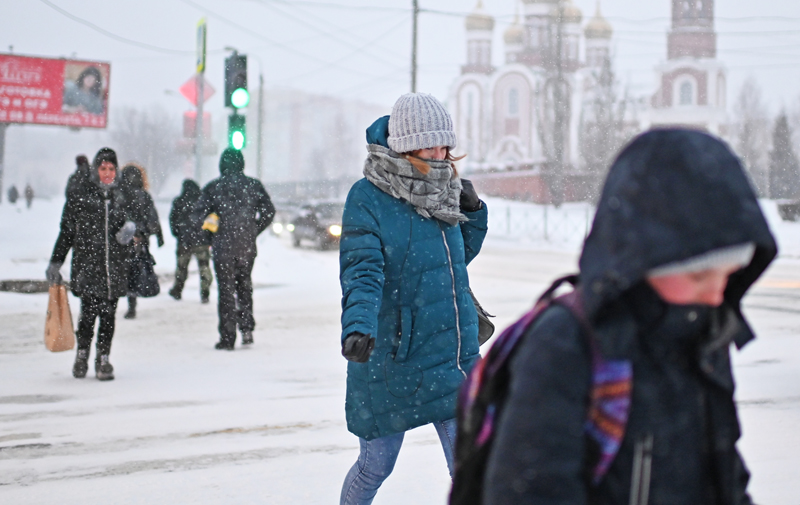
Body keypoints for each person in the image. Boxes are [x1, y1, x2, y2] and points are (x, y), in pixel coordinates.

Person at [481, 129, 777, 505]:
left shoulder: (704, 333)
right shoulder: (565, 345)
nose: (718, 293)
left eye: (731, 272)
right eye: (699, 275)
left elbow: (725, 473)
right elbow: (529, 491)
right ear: (642, 259)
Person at [338, 93, 488, 505]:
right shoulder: (368, 198)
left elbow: (453, 261)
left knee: (471, 470)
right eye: (430, 144)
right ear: (404, 144)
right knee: (375, 467)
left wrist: (473, 214)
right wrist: (358, 326)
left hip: (451, 353)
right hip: (393, 356)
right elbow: (362, 271)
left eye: (445, 145)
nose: (440, 155)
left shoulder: (443, 188)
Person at [46, 148, 135, 381]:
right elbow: (66, 232)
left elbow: (139, 222)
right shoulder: (81, 195)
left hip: (114, 266)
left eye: (111, 169)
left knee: (109, 316)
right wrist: (56, 262)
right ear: (96, 170)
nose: (107, 173)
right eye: (103, 168)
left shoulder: (122, 196)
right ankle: (82, 354)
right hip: (89, 265)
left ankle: (103, 358)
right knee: (88, 314)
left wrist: (131, 232)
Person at [191, 148, 275, 350]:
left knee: (226, 290)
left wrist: (210, 234)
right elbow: (269, 211)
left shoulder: (214, 187)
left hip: (223, 245)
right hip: (246, 245)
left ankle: (228, 337)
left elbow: (198, 216)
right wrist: (254, 229)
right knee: (244, 285)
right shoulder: (253, 185)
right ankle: (246, 329)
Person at [119, 163, 164, 319]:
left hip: (122, 239)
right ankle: (132, 302)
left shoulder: (119, 194)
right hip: (140, 240)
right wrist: (151, 234)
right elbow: (153, 218)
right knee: (134, 270)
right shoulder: (144, 195)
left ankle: (116, 299)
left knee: (122, 269)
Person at [168, 179, 213, 303]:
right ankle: (205, 292)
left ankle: (177, 289)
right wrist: (209, 236)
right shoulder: (203, 201)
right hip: (202, 240)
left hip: (184, 240)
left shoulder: (179, 201)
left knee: (181, 268)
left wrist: (178, 233)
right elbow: (211, 220)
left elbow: (173, 219)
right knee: (204, 267)